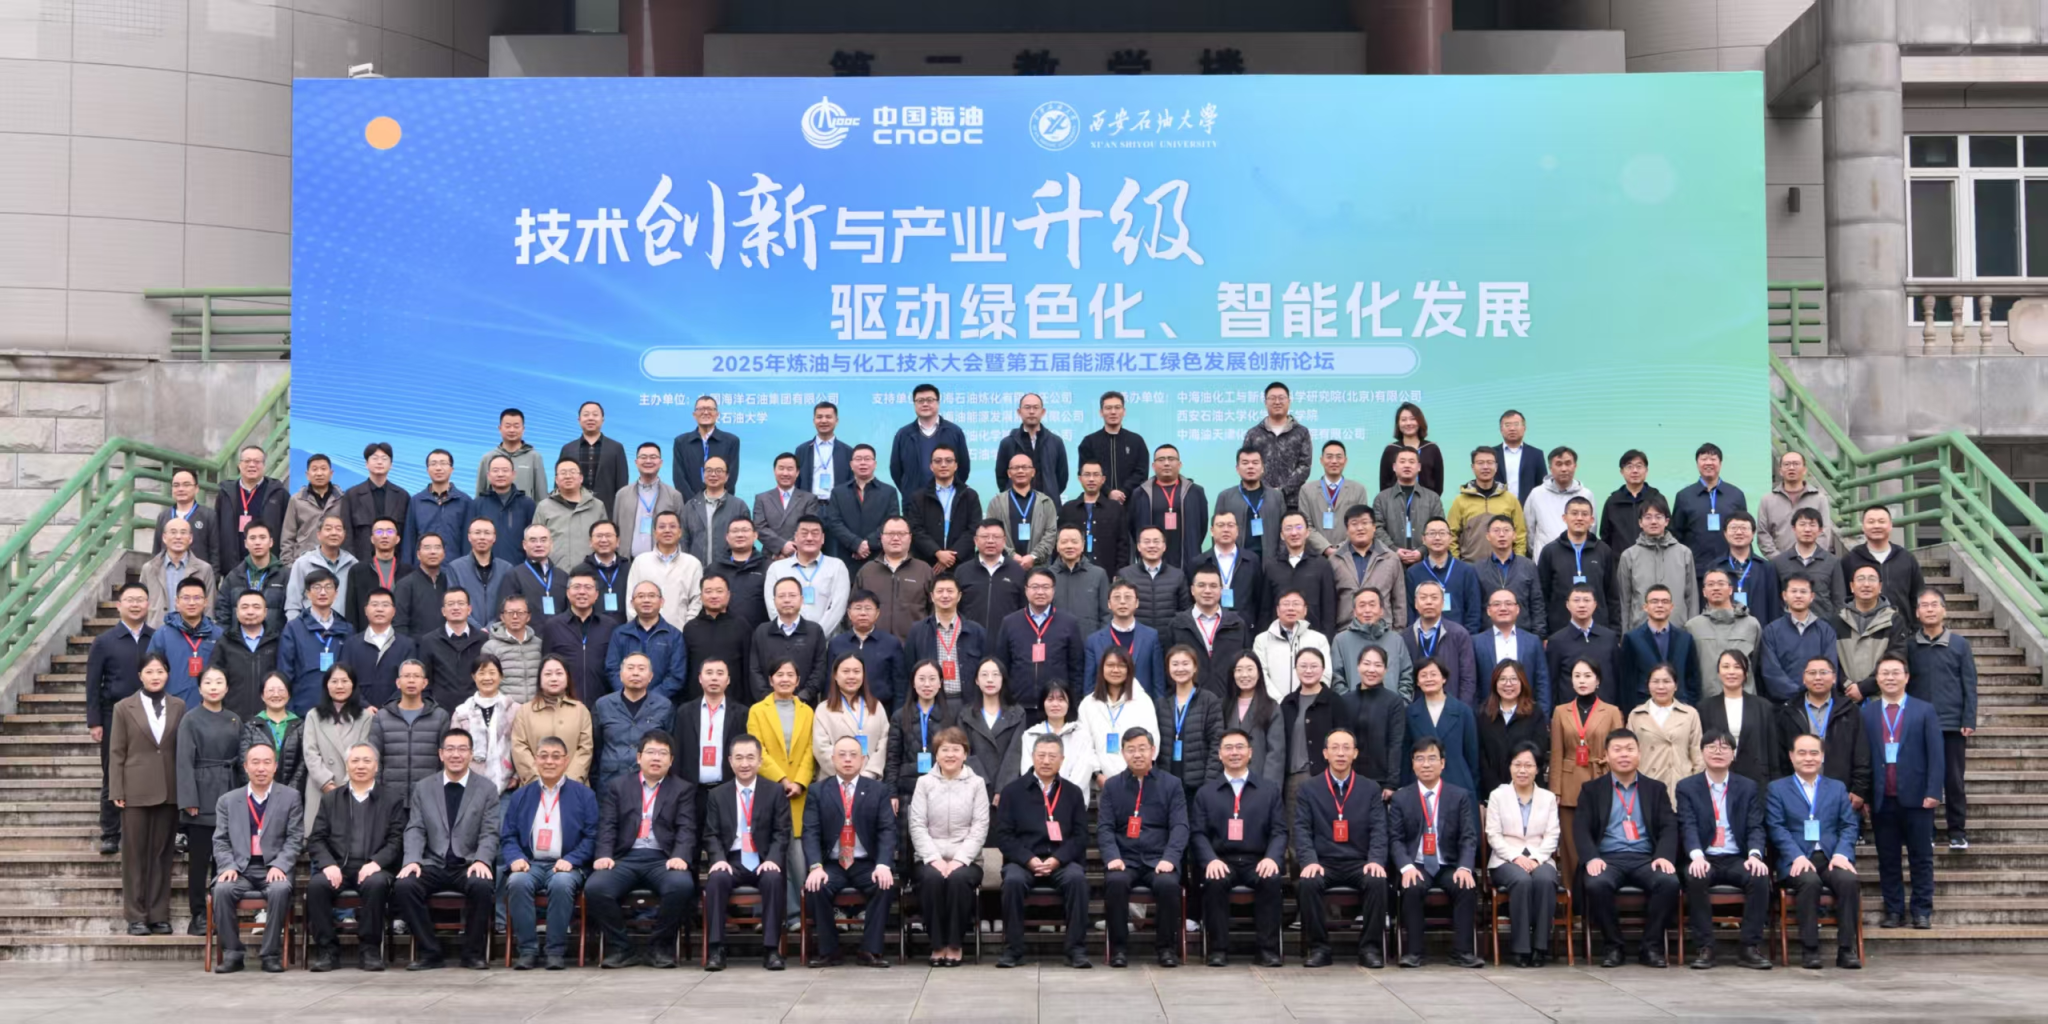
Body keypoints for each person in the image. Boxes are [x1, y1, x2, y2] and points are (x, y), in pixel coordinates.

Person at [392, 725, 504, 970]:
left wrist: (482, 860)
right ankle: (430, 952)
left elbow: (490, 831)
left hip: (468, 863)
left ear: (471, 754)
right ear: (441, 754)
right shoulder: (424, 787)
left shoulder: (486, 788)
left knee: (482, 885)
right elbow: (415, 828)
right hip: (432, 863)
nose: (456, 754)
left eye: (462, 749)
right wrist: (412, 860)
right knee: (405, 885)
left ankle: (472, 954)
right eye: (450, 749)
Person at [585, 730, 699, 969]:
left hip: (662, 859)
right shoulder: (618, 786)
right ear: (638, 757)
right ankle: (621, 948)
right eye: (651, 752)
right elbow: (607, 825)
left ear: (671, 760)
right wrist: (604, 855)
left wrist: (680, 856)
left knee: (681, 885)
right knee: (596, 888)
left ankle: (659, 947)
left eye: (662, 753)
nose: (656, 758)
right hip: (625, 858)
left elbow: (686, 828)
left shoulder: (682, 789)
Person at [1575, 729, 1680, 968]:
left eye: (1630, 749)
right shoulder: (1592, 789)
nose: (1624, 755)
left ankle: (1651, 947)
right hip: (1607, 858)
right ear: (1606, 755)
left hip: (1646, 858)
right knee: (1596, 883)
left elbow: (1669, 825)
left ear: (1639, 754)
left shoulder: (1655, 788)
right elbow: (1580, 828)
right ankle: (1613, 946)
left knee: (1668, 882)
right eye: (1617, 750)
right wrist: (1591, 858)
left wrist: (1664, 855)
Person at [1674, 729, 1774, 970]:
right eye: (1711, 747)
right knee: (1695, 877)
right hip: (1704, 856)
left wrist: (1755, 855)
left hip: (1735, 857)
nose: (1718, 752)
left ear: (1733, 754)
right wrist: (1696, 856)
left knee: (1759, 876)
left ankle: (1749, 947)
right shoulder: (1687, 787)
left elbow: (1755, 825)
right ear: (1702, 752)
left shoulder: (1747, 787)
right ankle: (1705, 947)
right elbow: (1687, 825)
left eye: (1724, 747)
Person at [498, 734, 599, 971]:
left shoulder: (584, 795)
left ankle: (555, 951)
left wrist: (572, 859)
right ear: (535, 760)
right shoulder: (522, 795)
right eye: (543, 756)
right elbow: (508, 835)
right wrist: (516, 858)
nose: (549, 762)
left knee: (562, 883)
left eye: (556, 756)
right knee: (517, 882)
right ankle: (528, 950)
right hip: (531, 863)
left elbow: (592, 836)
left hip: (567, 864)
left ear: (566, 760)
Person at [993, 733, 1092, 968]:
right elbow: (1004, 836)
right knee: (1013, 881)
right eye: (1041, 755)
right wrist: (1028, 859)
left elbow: (1080, 836)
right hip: (1024, 861)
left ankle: (1076, 949)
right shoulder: (1012, 791)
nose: (1046, 761)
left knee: (1077, 880)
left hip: (1061, 861)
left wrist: (1058, 859)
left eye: (1052, 756)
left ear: (1062, 759)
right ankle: (1013, 950)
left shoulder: (1073, 793)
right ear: (1032, 756)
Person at [1293, 727, 1390, 968]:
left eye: (1346, 748)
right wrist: (1309, 861)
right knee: (1308, 882)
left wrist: (1375, 860)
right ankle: (1319, 948)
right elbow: (1301, 830)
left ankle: (1369, 949)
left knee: (1377, 880)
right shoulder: (1308, 788)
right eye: (1334, 748)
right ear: (1325, 753)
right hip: (1323, 862)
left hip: (1359, 862)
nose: (1340, 753)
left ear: (1355, 753)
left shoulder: (1370, 788)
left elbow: (1379, 829)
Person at [305, 742, 405, 972]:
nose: (361, 766)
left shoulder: (391, 799)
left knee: (377, 884)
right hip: (338, 867)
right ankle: (327, 951)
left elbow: (397, 839)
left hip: (374, 868)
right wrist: (328, 864)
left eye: (367, 761)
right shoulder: (331, 799)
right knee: (317, 886)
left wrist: (377, 862)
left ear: (376, 766)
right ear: (347, 765)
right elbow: (316, 838)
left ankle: (369, 950)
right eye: (355, 761)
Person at [1767, 734, 1864, 969]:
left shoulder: (1836, 787)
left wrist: (1841, 853)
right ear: (1791, 756)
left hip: (1830, 857)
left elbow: (1849, 825)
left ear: (1822, 756)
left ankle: (1846, 949)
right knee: (1809, 882)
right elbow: (1776, 827)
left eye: (1814, 753)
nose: (1808, 758)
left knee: (1848, 881)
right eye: (1802, 753)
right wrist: (1796, 855)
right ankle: (1810, 949)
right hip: (1796, 859)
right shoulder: (1777, 789)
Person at [1191, 729, 1286, 967]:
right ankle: (1218, 949)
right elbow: (1198, 833)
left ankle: (1267, 949)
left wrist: (1272, 858)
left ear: (1250, 753)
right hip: (1222, 860)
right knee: (1214, 880)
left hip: (1257, 860)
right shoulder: (1206, 793)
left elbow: (1279, 831)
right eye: (1229, 748)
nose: (1234, 753)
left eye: (1240, 747)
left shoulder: (1268, 790)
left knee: (1271, 879)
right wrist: (1210, 860)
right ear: (1219, 754)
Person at [802, 735, 899, 967]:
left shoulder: (878, 790)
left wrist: (883, 864)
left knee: (884, 884)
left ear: (863, 760)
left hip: (865, 862)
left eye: (853, 755)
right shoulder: (818, 790)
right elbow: (810, 832)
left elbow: (887, 830)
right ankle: (829, 951)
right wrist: (815, 866)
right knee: (816, 886)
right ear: (833, 759)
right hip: (832, 863)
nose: (848, 760)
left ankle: (870, 950)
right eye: (842, 755)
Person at [1389, 736, 1484, 968]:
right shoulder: (1401, 797)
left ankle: (1462, 952)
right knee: (1412, 885)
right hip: (1417, 863)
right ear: (1412, 764)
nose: (1426, 764)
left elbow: (1468, 837)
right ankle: (1414, 952)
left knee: (1465, 885)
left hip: (1448, 863)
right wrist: (1406, 867)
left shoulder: (1459, 796)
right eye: (1419, 759)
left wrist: (1465, 867)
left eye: (1432, 758)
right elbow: (1395, 839)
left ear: (1443, 763)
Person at [1864, 654, 1944, 930]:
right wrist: (1865, 795)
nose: (1890, 678)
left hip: (1918, 798)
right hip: (1882, 799)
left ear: (1906, 677)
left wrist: (1934, 791)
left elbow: (1936, 754)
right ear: (1877, 679)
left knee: (1921, 858)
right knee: (1888, 859)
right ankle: (1894, 910)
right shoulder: (1868, 712)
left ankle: (1922, 911)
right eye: (1884, 673)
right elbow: (1863, 758)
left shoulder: (1924, 710)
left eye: (1895, 672)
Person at [207, 743, 302, 972]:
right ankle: (233, 954)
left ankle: (270, 954)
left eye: (267, 762)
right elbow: (220, 840)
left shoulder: (290, 797)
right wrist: (228, 866)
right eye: (255, 762)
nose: (261, 768)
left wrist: (280, 865)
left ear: (275, 766)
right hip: (240, 868)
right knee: (222, 890)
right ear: (245, 767)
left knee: (280, 890)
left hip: (273, 867)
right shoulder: (228, 800)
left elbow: (295, 837)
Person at [702, 732, 793, 971]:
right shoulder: (717, 794)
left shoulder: (774, 791)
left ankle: (771, 949)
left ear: (760, 761)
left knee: (773, 878)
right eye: (739, 758)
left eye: (750, 757)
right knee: (716, 879)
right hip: (731, 860)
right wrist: (718, 859)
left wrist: (773, 859)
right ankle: (716, 949)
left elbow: (782, 831)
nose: (745, 763)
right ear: (730, 761)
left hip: (763, 858)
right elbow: (710, 834)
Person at [111, 652, 183, 935]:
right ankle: (136, 916)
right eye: (150, 671)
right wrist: (117, 788)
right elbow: (116, 752)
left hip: (168, 788)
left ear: (168, 674)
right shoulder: (123, 707)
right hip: (135, 789)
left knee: (162, 854)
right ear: (140, 675)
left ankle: (158, 914)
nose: (155, 676)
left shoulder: (178, 706)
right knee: (135, 855)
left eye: (160, 671)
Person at [910, 725, 990, 968]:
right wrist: (934, 858)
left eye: (956, 749)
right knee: (932, 879)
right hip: (928, 858)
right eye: (944, 750)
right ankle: (937, 945)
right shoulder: (924, 783)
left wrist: (959, 860)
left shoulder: (977, 784)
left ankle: (955, 944)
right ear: (936, 754)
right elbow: (917, 824)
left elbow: (980, 826)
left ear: (965, 754)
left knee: (958, 880)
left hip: (967, 860)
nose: (950, 755)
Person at [174, 667, 242, 935]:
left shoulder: (235, 719)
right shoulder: (190, 719)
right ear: (200, 688)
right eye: (208, 682)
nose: (214, 687)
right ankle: (199, 915)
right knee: (199, 861)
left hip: (229, 790)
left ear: (227, 688)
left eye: (219, 682)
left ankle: (222, 911)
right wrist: (189, 799)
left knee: (224, 859)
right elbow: (183, 761)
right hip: (201, 794)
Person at [88, 584, 155, 854]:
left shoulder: (156, 638)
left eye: (141, 600)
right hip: (113, 715)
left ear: (148, 604)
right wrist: (95, 722)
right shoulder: (104, 641)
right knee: (113, 772)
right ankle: (110, 832)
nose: (135, 605)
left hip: (151, 714)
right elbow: (93, 684)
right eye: (130, 600)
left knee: (149, 771)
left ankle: (145, 830)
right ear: (119, 605)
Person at [1909, 588, 1977, 848]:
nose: (1929, 609)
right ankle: (1927, 830)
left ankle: (1957, 831)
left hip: (1951, 724)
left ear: (1944, 610)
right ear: (1917, 612)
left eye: (1934, 604)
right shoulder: (1910, 646)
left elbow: (1969, 684)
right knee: (1922, 778)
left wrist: (1968, 719)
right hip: (1919, 724)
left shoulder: (1960, 644)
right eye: (1924, 605)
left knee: (1954, 779)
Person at [1485, 741, 1562, 968]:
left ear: (1538, 769)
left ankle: (1540, 947)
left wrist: (1537, 858)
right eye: (1517, 764)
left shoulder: (1548, 798)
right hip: (1505, 859)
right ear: (1509, 767)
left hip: (1540, 857)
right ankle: (1520, 948)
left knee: (1546, 879)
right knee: (1521, 880)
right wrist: (1516, 857)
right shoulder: (1498, 795)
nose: (1522, 770)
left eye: (1528, 765)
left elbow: (1552, 834)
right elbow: (1493, 834)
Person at [1549, 659, 1623, 888]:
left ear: (1598, 680)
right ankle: (1573, 895)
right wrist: (1555, 790)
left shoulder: (1611, 711)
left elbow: (1618, 749)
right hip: (1570, 784)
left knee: (1601, 838)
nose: (1582, 681)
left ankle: (1599, 890)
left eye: (1588, 676)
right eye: (1577, 676)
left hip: (1601, 776)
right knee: (1570, 844)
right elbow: (1557, 753)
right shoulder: (1560, 711)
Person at [749, 658, 818, 904]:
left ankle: (802, 911)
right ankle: (779, 913)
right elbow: (758, 749)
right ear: (770, 680)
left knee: (798, 856)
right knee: (772, 853)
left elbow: (811, 750)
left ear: (798, 681)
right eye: (779, 674)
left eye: (790, 675)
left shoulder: (807, 711)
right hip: (769, 789)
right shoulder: (757, 710)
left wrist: (799, 782)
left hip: (799, 792)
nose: (785, 679)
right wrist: (782, 779)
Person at [1775, 656, 1872, 800]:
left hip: (1841, 790)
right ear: (1804, 678)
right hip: (1798, 791)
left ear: (1834, 678)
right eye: (1812, 673)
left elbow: (1861, 753)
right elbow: (1780, 756)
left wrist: (1859, 789)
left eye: (1823, 672)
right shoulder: (1789, 711)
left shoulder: (1850, 710)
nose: (1818, 677)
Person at [676, 656, 750, 835]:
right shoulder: (685, 712)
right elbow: (678, 752)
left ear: (728, 679)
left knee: (724, 841)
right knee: (690, 841)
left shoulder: (741, 713)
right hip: (692, 792)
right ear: (700, 678)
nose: (714, 678)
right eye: (709, 673)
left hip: (727, 790)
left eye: (720, 673)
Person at [300, 664, 375, 833]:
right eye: (334, 681)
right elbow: (310, 752)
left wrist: (346, 787)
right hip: (319, 786)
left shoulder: (365, 717)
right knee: (319, 837)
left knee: (350, 837)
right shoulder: (313, 715)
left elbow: (363, 752)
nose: (339, 686)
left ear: (353, 685)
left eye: (344, 681)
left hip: (353, 787)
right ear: (326, 685)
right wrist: (326, 783)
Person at [593, 652, 679, 789]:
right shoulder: (603, 705)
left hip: (650, 782)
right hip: (610, 782)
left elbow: (670, 744)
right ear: (621, 675)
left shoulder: (664, 706)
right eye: (630, 668)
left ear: (651, 676)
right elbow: (597, 747)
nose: (635, 673)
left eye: (641, 669)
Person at [1079, 649, 1160, 785]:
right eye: (1110, 665)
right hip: (1102, 783)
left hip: (1137, 780)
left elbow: (1152, 739)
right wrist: (1097, 775)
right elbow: (1084, 745)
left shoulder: (1142, 701)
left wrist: (1138, 773)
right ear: (1102, 668)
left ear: (1129, 669)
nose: (1115, 670)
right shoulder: (1088, 704)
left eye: (1121, 665)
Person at [1699, 651, 1776, 791]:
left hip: (1756, 778)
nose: (1731, 672)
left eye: (1737, 667)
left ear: (1745, 673)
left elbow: (1773, 749)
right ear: (1718, 673)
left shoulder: (1763, 706)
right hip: (1717, 778)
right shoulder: (1705, 707)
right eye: (1726, 666)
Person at [509, 656, 593, 785]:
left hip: (574, 787)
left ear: (567, 678)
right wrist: (538, 781)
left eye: (559, 673)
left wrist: (568, 783)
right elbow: (519, 748)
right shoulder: (525, 712)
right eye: (548, 674)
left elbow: (585, 749)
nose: (554, 678)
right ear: (540, 680)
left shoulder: (581, 711)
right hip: (534, 787)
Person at [1615, 499, 1697, 630]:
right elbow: (1624, 601)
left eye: (1658, 517)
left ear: (1666, 521)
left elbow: (1691, 598)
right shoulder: (1629, 555)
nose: (1653, 521)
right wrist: (1625, 634)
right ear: (1640, 522)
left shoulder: (1684, 553)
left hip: (1678, 629)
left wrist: (1692, 632)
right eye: (1648, 517)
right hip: (1640, 630)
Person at [1536, 496, 1614, 634]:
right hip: (1559, 630)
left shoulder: (1603, 551)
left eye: (1584, 514)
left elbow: (1612, 595)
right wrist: (1544, 633)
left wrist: (1616, 632)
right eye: (1574, 513)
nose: (1579, 518)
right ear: (1564, 518)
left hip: (1598, 630)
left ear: (1592, 520)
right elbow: (1542, 595)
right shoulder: (1550, 551)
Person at [370, 659, 452, 791]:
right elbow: (374, 758)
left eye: (416, 676)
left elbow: (446, 758)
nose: (411, 680)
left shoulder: (440, 716)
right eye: (406, 676)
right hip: (391, 794)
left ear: (425, 683)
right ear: (398, 682)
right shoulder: (382, 717)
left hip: (428, 793)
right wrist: (378, 791)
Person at [1625, 664, 1704, 800]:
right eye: (1655, 682)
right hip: (1647, 783)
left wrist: (1694, 785)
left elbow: (1698, 753)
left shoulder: (1690, 714)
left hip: (1679, 784)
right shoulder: (1636, 715)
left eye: (1667, 681)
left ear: (1676, 686)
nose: (1661, 687)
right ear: (1648, 685)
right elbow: (1629, 753)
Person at [1759, 575, 1841, 703]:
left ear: (1812, 596)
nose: (1798, 596)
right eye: (1794, 591)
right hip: (1783, 704)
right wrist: (1798, 695)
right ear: (1784, 595)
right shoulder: (1771, 631)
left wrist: (1812, 694)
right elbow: (1771, 671)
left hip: (1819, 702)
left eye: (1803, 591)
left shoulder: (1825, 631)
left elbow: (1830, 668)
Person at [275, 568, 348, 713]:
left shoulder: (346, 629)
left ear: (336, 593)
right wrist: (289, 711)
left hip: (340, 710)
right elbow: (285, 672)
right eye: (316, 587)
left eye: (328, 587)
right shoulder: (293, 628)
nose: (323, 592)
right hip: (303, 708)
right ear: (308, 594)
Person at [540, 568, 617, 704]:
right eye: (576, 587)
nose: (582, 592)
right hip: (564, 702)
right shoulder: (553, 626)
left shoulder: (609, 626)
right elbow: (546, 666)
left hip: (602, 702)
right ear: (568, 593)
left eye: (588, 587)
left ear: (597, 594)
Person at [1126, 444, 1210, 569]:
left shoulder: (1195, 492)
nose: (1166, 463)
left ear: (1179, 464)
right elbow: (1133, 528)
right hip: (1151, 563)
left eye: (1171, 459)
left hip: (1187, 562)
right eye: (1161, 459)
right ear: (1153, 466)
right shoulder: (1140, 493)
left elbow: (1202, 527)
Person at [885, 661, 950, 820]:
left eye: (932, 679)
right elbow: (893, 758)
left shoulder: (950, 715)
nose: (927, 684)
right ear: (913, 683)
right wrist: (892, 793)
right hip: (907, 789)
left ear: (940, 683)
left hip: (943, 787)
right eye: (921, 679)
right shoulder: (900, 716)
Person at [1404, 658, 1480, 795]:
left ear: (1444, 678)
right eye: (1423, 675)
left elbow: (1472, 756)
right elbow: (1405, 755)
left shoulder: (1463, 711)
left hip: (1458, 783)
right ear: (1417, 682)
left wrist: (1477, 794)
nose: (1429, 679)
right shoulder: (1409, 713)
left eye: (1433, 674)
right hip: (1421, 785)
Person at [765, 515, 851, 634]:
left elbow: (838, 607)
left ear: (823, 538)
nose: (809, 538)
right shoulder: (777, 568)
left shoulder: (837, 567)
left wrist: (816, 636)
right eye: (804, 533)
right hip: (786, 639)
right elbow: (772, 606)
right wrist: (788, 633)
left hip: (825, 640)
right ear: (795, 537)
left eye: (815, 533)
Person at [1834, 565, 1911, 697]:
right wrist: (1847, 685)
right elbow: (1832, 659)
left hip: (1882, 696)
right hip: (1844, 697)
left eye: (1872, 579)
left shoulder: (1893, 620)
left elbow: (1897, 656)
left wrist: (1864, 688)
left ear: (1880, 586)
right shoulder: (1837, 620)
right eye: (1861, 579)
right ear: (1852, 586)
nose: (1866, 584)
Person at [237, 675, 306, 823]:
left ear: (289, 694)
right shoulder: (251, 726)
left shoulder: (300, 725)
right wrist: (260, 790)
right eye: (270, 690)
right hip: (258, 796)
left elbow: (303, 762)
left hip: (292, 797)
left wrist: (290, 793)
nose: (276, 694)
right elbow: (244, 761)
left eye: (281, 690)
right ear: (262, 695)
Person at [1161, 646, 1226, 802]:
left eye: (1185, 663)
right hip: (1167, 784)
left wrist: (1209, 784)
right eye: (1175, 664)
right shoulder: (1161, 703)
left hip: (1198, 785)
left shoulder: (1209, 700)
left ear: (1195, 667)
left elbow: (1216, 743)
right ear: (1168, 668)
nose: (1180, 669)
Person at [904, 576, 985, 701]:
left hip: (967, 703)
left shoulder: (976, 631)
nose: (945, 595)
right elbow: (908, 669)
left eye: (950, 591)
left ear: (959, 596)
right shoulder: (918, 631)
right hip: (931, 701)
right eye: (940, 591)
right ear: (932, 596)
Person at [605, 582, 688, 702]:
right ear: (632, 603)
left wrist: (650, 699)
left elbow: (676, 676)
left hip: (661, 704)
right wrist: (629, 695)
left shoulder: (674, 636)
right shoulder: (620, 634)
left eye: (651, 596)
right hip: (624, 703)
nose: (646, 600)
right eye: (641, 596)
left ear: (662, 602)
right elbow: (612, 670)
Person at [1670, 444, 1747, 572]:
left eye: (1713, 459)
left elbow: (1744, 530)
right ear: (1697, 463)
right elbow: (1676, 533)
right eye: (1704, 459)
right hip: (1695, 568)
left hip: (1730, 567)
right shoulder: (1684, 496)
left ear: (1720, 463)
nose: (1708, 463)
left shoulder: (1736, 495)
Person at [1619, 585, 1698, 710]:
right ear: (1645, 607)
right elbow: (1626, 681)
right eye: (1654, 601)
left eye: (1665, 601)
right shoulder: (1632, 638)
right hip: (1644, 708)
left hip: (1679, 708)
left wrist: (1690, 706)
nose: (1660, 605)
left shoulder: (1685, 639)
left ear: (1671, 607)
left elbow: (1692, 678)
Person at [150, 575, 226, 706]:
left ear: (205, 601)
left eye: (197, 598)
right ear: (177, 602)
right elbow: (151, 673)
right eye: (186, 598)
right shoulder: (162, 635)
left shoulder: (218, 634)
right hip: (172, 708)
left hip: (210, 708)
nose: (191, 603)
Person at [749, 578, 828, 702]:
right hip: (767, 706)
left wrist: (804, 696)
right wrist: (768, 698)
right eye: (781, 596)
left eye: (792, 595)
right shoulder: (762, 631)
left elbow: (820, 669)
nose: (787, 600)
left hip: (805, 705)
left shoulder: (815, 631)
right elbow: (755, 670)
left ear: (801, 599)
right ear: (774, 601)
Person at [956, 659, 1027, 798]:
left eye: (995, 674)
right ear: (977, 680)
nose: (990, 680)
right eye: (984, 675)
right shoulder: (965, 715)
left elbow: (1014, 753)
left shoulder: (1017, 714)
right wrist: (982, 785)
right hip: (974, 788)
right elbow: (965, 753)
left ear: (1003, 679)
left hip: (1008, 789)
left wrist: (1002, 789)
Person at [1475, 589, 1551, 718]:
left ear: (1517, 609)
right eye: (1497, 604)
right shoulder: (1476, 642)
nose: (1503, 608)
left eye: (1508, 603)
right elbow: (1472, 684)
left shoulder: (1532, 641)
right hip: (1488, 716)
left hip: (1527, 714)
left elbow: (1542, 682)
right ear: (1488, 610)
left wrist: (1543, 717)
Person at [1478, 661, 1548, 798]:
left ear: (1522, 682)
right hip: (1492, 792)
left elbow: (1538, 751)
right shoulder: (1483, 714)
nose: (1508, 684)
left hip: (1527, 790)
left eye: (1513, 679)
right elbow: (1481, 756)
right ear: (1495, 683)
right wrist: (1496, 788)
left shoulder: (1535, 713)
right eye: (1502, 679)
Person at [905, 445, 978, 576]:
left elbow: (974, 529)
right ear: (931, 466)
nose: (943, 465)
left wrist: (951, 557)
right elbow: (915, 529)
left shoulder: (970, 495)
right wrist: (937, 552)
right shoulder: (918, 497)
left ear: (956, 466)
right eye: (938, 461)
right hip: (927, 564)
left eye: (948, 461)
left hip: (961, 564)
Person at [812, 654, 889, 779]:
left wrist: (870, 773)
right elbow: (821, 748)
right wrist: (848, 774)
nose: (851, 676)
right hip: (835, 781)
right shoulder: (824, 709)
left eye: (856, 671)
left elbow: (884, 742)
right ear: (835, 675)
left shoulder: (876, 706)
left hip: (870, 780)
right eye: (846, 671)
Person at [1686, 569, 1762, 695]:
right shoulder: (1693, 627)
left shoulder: (1751, 624)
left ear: (1730, 590)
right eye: (1710, 584)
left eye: (1721, 584)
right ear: (1704, 592)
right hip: (1706, 699)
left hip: (1744, 699)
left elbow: (1756, 664)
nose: (1716, 588)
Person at [1841, 505, 1927, 618]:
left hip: (1901, 625)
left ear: (1890, 525)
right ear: (1863, 527)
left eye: (1881, 521)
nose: (1876, 526)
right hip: (1861, 625)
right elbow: (1842, 596)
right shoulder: (1850, 559)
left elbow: (1918, 597)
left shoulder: (1906, 558)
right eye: (1871, 522)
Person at [888, 383, 970, 498]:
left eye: (930, 400)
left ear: (938, 403)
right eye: (920, 401)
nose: (925, 404)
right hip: (913, 501)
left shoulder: (954, 432)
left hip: (948, 500)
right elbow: (896, 470)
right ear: (914, 404)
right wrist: (908, 491)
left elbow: (964, 467)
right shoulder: (903, 435)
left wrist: (952, 490)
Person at [1402, 580, 1477, 706]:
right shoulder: (1405, 637)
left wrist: (1461, 709)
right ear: (1415, 603)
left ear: (1443, 603)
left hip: (1451, 706)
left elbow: (1468, 678)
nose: (1429, 602)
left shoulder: (1459, 634)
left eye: (1434, 597)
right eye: (1423, 598)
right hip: (1415, 708)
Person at [1331, 507, 1407, 629]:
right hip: (1346, 629)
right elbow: (1330, 602)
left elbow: (1399, 601)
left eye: (1365, 522)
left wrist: (1398, 632)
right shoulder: (1335, 560)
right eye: (1354, 524)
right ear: (1347, 530)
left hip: (1383, 630)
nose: (1360, 528)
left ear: (1374, 527)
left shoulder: (1391, 559)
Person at [854, 517, 930, 639]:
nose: (895, 538)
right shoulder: (867, 571)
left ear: (910, 538)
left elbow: (935, 610)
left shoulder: (924, 570)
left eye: (901, 534)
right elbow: (853, 609)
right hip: (873, 644)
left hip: (914, 644)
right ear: (881, 537)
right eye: (890, 534)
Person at [627, 512, 705, 631]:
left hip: (680, 632)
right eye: (662, 526)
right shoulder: (640, 561)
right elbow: (631, 600)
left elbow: (696, 602)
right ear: (654, 533)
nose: (667, 530)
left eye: (672, 526)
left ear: (680, 532)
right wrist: (638, 629)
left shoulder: (692, 564)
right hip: (643, 633)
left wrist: (688, 629)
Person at [1544, 584, 1618, 710]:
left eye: (1587, 600)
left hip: (1605, 711)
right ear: (1567, 605)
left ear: (1595, 604)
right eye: (1576, 600)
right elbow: (1551, 682)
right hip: (1569, 713)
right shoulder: (1557, 641)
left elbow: (1617, 677)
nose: (1582, 605)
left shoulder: (1609, 638)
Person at [452, 654, 519, 790]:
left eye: (492, 673)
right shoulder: (461, 712)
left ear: (501, 676)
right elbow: (454, 748)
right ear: (473, 677)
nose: (487, 678)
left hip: (508, 782)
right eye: (481, 673)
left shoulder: (514, 709)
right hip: (469, 784)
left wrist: (517, 776)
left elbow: (521, 745)